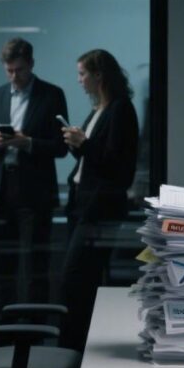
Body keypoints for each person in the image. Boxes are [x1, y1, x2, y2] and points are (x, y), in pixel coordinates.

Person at [58, 49, 138, 351]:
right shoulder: (99, 109)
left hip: (98, 209)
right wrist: (77, 144)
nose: (79, 80)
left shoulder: (121, 109)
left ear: (99, 75)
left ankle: (71, 352)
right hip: (81, 204)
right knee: (80, 281)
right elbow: (94, 158)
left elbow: (117, 165)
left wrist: (84, 144)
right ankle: (74, 350)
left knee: (75, 280)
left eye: (82, 74)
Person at [0, 38, 68, 312]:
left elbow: (61, 148)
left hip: (35, 192)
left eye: (19, 70)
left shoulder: (52, 95)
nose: (14, 76)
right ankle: (4, 326)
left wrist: (28, 143)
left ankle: (36, 327)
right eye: (9, 70)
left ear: (31, 64)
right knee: (2, 268)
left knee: (36, 266)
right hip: (1, 190)